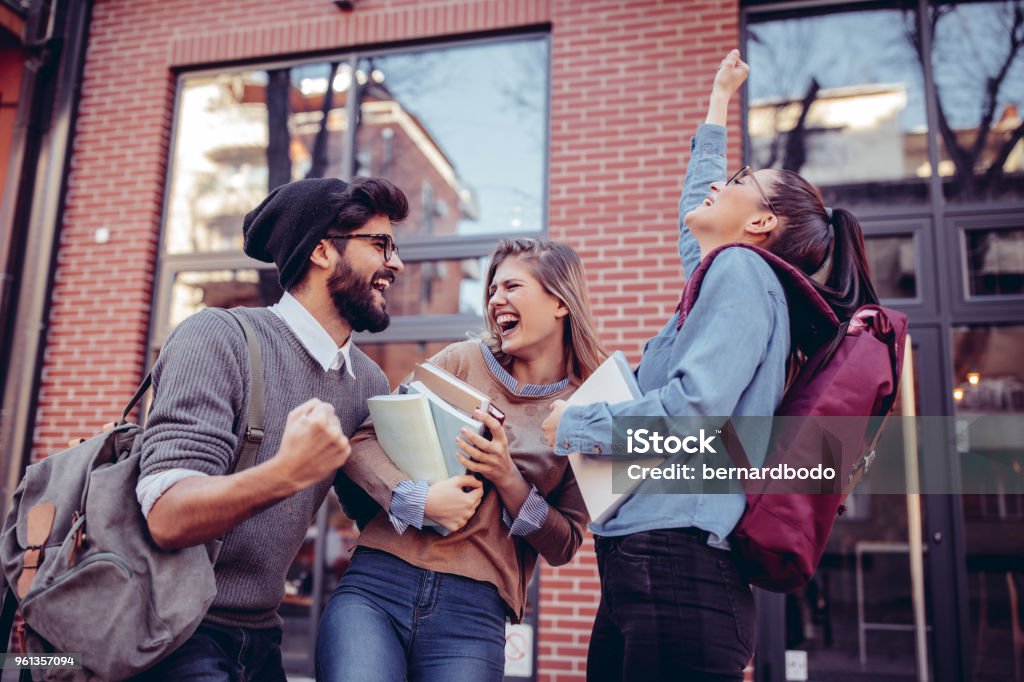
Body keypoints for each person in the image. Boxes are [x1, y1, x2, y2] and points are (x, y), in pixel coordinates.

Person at [541, 49, 881, 682]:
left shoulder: (740, 271)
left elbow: (694, 418)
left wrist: (576, 424)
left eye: (738, 180)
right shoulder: (729, 273)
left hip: (677, 567)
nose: (719, 184)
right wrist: (716, 106)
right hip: (650, 564)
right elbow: (693, 216)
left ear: (759, 222)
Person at [136, 176, 408, 681]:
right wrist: (287, 472)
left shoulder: (364, 379)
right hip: (172, 631)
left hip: (262, 635)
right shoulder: (219, 337)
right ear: (323, 250)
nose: (395, 262)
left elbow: (373, 512)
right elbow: (167, 516)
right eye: (380, 244)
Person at [316, 238, 602, 681]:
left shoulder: (585, 410)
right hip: (378, 583)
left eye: (511, 287)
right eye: (491, 290)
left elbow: (564, 544)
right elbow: (362, 441)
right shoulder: (462, 360)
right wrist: (419, 499)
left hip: (473, 612)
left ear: (560, 302)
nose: (495, 300)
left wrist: (507, 477)